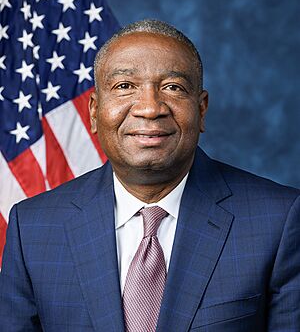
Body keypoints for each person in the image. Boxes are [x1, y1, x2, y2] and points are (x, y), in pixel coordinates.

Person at [0, 19, 299, 332]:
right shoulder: (33, 227)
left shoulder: (279, 221)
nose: (150, 108)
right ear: (93, 112)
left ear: (202, 110)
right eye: (125, 86)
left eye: (172, 87)